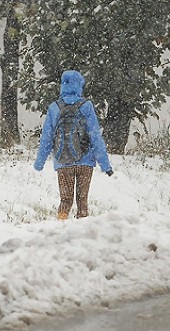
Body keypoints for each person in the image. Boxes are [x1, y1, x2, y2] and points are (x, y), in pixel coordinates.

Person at [34, 70, 113, 219]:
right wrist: (105, 165)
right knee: (82, 202)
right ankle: (82, 235)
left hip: (63, 162)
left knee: (65, 200)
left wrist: (39, 162)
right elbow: (95, 136)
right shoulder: (87, 106)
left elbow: (47, 138)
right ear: (80, 85)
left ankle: (61, 228)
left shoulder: (54, 107)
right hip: (85, 162)